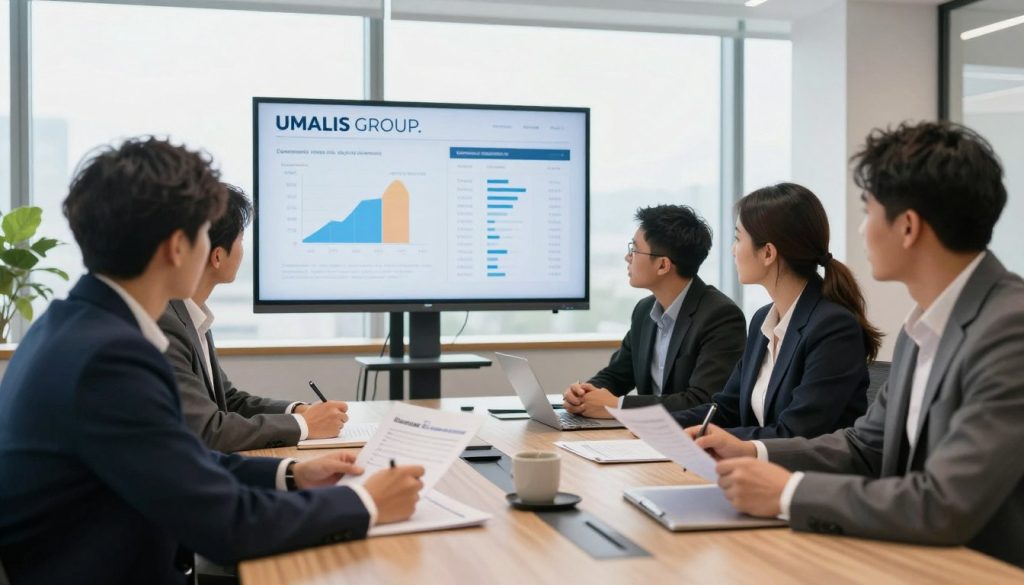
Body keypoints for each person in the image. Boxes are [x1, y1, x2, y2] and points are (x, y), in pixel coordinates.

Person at [0, 137, 424, 585]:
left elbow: (178, 463)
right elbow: (228, 526)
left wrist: (292, 473)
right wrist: (365, 503)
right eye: (206, 233)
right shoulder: (109, 360)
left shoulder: (71, 326)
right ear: (177, 247)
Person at [691, 121, 1024, 567]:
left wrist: (789, 492)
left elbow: (944, 503)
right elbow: (865, 446)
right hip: (908, 557)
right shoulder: (921, 327)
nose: (863, 230)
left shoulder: (1010, 329)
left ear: (908, 227)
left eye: (868, 211)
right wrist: (753, 450)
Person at [671, 183, 880, 439]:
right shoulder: (763, 319)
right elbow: (727, 408)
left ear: (768, 252)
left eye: (738, 238)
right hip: (759, 461)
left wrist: (720, 441)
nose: (733, 250)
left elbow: (796, 433)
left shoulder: (833, 327)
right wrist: (659, 425)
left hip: (800, 464)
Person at [159, 185, 348, 451]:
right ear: (217, 255)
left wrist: (298, 410)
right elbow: (207, 430)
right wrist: (304, 425)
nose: (243, 249)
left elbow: (228, 401)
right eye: (241, 239)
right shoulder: (167, 322)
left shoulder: (191, 314)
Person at [563, 205, 746, 417]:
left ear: (662, 265)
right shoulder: (644, 311)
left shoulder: (720, 316)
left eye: (634, 249)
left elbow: (703, 401)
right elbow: (617, 375)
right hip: (646, 433)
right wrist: (583, 394)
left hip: (692, 434)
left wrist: (619, 406)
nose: (627, 257)